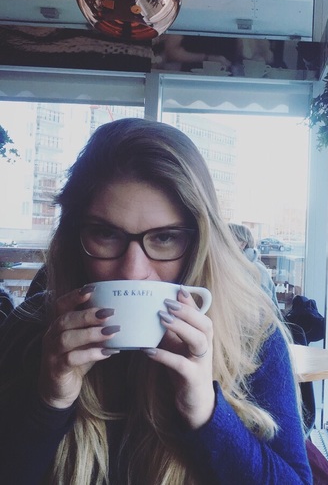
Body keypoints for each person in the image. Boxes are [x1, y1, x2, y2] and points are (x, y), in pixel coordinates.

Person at [0, 118, 311, 484]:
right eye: (105, 234)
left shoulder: (252, 340)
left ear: (199, 244)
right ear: (73, 238)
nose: (133, 271)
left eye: (164, 238)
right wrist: (49, 404)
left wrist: (206, 414)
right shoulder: (32, 330)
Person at [228, 223, 278, 307]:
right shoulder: (232, 267)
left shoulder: (257, 271)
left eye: (227, 239)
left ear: (242, 244)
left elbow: (265, 311)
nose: (221, 243)